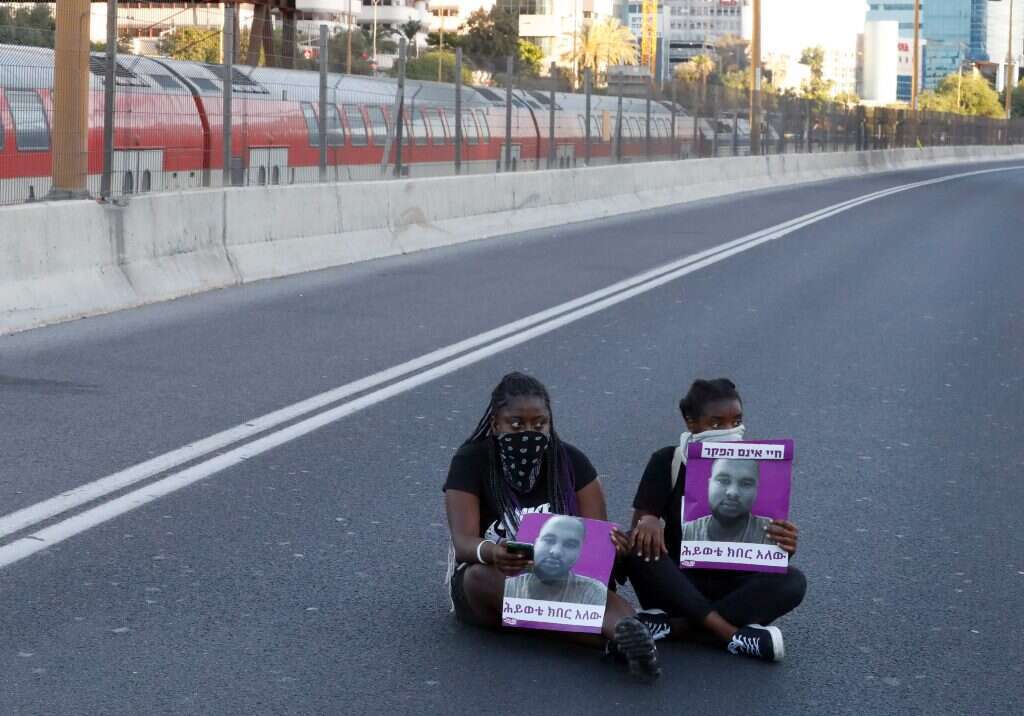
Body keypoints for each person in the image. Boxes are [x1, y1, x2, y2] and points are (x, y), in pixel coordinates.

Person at [444, 372, 661, 682]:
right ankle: (601, 640)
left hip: (564, 579)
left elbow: (595, 543)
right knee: (478, 579)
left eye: (539, 424)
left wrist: (617, 548)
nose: (529, 431)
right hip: (499, 576)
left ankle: (627, 637)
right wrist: (493, 552)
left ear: (550, 423)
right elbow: (463, 541)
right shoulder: (470, 461)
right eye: (516, 424)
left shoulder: (572, 463)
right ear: (495, 425)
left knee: (618, 607)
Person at [627, 378, 806, 662]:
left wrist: (783, 544)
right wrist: (647, 520)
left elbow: (771, 549)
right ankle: (729, 634)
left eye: (736, 421)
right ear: (691, 423)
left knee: (794, 581)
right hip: (678, 584)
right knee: (633, 546)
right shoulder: (667, 461)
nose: (729, 431)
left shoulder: (757, 464)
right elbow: (640, 530)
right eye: (716, 423)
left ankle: (674, 629)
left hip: (734, 585)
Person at [504, 515, 607, 605]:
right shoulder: (509, 588)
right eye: (549, 540)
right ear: (535, 543)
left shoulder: (593, 592)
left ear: (580, 552)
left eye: (570, 545)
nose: (556, 552)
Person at [679, 458, 773, 544]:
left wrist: (785, 553)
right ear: (709, 485)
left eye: (745, 484)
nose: (733, 492)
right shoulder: (684, 533)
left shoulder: (773, 534)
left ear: (756, 490)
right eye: (723, 481)